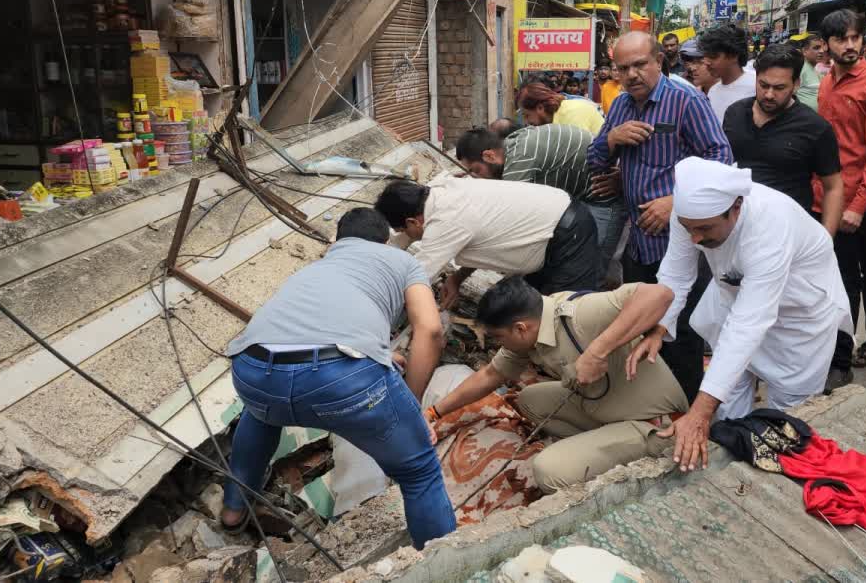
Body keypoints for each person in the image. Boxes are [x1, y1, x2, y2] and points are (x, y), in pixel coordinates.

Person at [220, 208, 454, 548]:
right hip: (340, 379)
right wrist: (411, 406)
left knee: (259, 415)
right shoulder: (403, 262)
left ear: (338, 239)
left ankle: (232, 511)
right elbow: (431, 331)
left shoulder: (317, 267)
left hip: (253, 369)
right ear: (385, 240)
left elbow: (313, 328)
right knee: (419, 470)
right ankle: (442, 563)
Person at [645, 159, 852, 471]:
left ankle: (775, 482)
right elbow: (675, 275)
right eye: (689, 229)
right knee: (727, 406)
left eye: (704, 229)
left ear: (737, 207)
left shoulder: (770, 223)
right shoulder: (689, 216)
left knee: (788, 422)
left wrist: (699, 413)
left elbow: (748, 324)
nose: (695, 239)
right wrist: (658, 329)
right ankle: (731, 469)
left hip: (798, 317)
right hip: (735, 297)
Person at [424, 276, 688, 492]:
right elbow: (490, 375)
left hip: (654, 425)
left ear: (520, 328)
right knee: (529, 400)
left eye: (498, 337)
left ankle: (610, 459)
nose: (497, 344)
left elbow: (660, 294)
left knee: (547, 471)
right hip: (606, 408)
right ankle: (593, 448)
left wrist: (597, 352)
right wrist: (433, 413)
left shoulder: (580, 313)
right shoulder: (534, 326)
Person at [586, 31, 733, 401]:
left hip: (681, 244)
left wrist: (674, 202)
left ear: (659, 62)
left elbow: (722, 160)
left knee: (680, 333)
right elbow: (595, 161)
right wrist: (612, 139)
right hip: (638, 241)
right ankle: (650, 403)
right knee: (640, 325)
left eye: (640, 64)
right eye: (624, 68)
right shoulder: (619, 106)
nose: (632, 74)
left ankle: (686, 412)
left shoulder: (686, 101)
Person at [814, 9, 866, 391]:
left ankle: (844, 359)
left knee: (855, 282)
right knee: (832, 281)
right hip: (827, 198)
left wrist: (858, 206)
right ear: (826, 45)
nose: (849, 45)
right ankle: (835, 350)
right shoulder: (827, 82)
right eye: (841, 39)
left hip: (859, 201)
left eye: (855, 38)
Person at [375, 177, 600, 308]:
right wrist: (456, 277)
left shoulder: (446, 220)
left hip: (567, 234)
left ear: (413, 221)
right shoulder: (443, 189)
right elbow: (483, 237)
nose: (408, 236)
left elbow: (416, 278)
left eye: (405, 231)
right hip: (553, 226)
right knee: (532, 310)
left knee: (565, 314)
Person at [456, 123, 626, 271]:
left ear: (489, 156)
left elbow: (501, 223)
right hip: (579, 195)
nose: (477, 178)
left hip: (603, 196)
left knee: (592, 266)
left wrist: (460, 275)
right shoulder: (511, 146)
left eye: (476, 171)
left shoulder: (519, 159)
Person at [722, 44, 844, 231]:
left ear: (796, 84)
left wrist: (825, 241)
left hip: (788, 233)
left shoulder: (815, 128)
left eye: (779, 88)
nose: (769, 95)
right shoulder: (735, 113)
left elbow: (833, 187)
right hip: (736, 231)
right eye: (763, 85)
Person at [698, 25, 757, 122]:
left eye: (713, 56)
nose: (706, 62)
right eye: (705, 56)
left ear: (734, 55)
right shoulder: (713, 91)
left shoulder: (758, 85)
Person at [516, 81, 605, 133]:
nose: (526, 122)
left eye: (527, 115)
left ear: (540, 108)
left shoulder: (571, 115)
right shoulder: (552, 121)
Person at [795, 33, 826, 110]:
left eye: (822, 48)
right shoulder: (800, 69)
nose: (822, 51)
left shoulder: (814, 69)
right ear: (805, 51)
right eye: (816, 48)